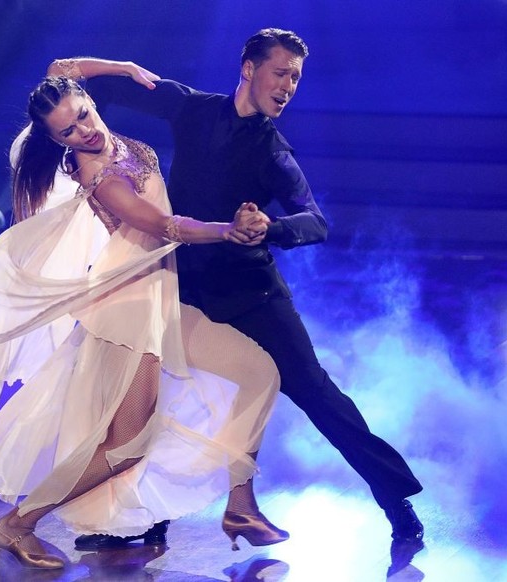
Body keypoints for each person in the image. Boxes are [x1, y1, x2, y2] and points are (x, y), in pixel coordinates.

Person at [53, 27, 425, 550]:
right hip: (182, 286)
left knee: (315, 393)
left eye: (295, 77)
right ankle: (138, 520)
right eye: (281, 72)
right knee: (157, 403)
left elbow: (315, 221)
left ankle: (395, 501)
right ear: (249, 69)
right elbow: (63, 75)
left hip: (253, 296)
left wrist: (269, 229)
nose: (288, 85)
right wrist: (122, 69)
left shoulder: (273, 150)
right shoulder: (192, 108)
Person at [0, 74, 290, 570]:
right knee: (126, 446)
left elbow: (64, 65)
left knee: (259, 372)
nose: (83, 132)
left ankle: (240, 506)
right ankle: (17, 524)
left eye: (82, 115)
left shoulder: (113, 135)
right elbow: (163, 226)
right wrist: (228, 231)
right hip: (127, 309)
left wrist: (127, 68)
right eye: (67, 133)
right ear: (56, 141)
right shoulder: (97, 175)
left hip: (161, 300)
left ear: (88, 100)